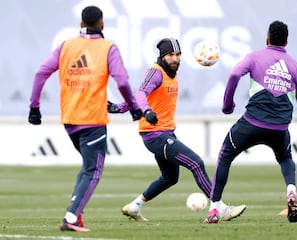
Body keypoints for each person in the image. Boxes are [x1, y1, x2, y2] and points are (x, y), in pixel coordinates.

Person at [28, 6, 142, 232]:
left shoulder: (66, 46)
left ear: (81, 24)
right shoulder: (108, 48)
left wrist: (34, 107)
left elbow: (41, 73)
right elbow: (122, 82)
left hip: (70, 120)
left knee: (87, 167)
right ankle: (70, 218)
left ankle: (76, 214)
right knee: (93, 170)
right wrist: (134, 108)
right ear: (102, 25)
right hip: (92, 120)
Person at [107, 38, 246, 222]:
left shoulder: (172, 73)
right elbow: (141, 94)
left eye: (178, 54)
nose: (175, 59)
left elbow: (139, 97)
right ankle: (219, 208)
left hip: (166, 133)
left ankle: (135, 206)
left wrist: (118, 108)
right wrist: (147, 111)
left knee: (170, 177)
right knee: (196, 163)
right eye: (171, 55)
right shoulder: (155, 72)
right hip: (155, 135)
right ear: (162, 56)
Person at [205, 20, 297, 224]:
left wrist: (227, 105)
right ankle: (291, 191)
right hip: (280, 128)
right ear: (286, 43)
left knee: (225, 156)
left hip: (251, 124)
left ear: (267, 39)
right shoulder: (295, 66)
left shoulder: (254, 57)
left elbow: (234, 74)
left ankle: (213, 210)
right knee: (285, 158)